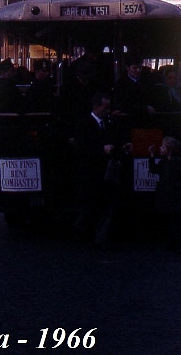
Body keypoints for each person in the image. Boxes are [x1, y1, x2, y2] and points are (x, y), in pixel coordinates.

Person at [72, 91, 122, 246]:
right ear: (96, 107)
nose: (107, 110)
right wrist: (101, 149)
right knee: (90, 207)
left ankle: (100, 239)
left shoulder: (107, 122)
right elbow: (81, 147)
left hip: (105, 172)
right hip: (90, 172)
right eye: (105, 107)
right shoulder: (84, 123)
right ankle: (81, 231)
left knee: (104, 206)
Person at [112, 55, 156, 122]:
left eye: (140, 67)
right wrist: (145, 108)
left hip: (146, 120)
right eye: (134, 68)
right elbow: (122, 105)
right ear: (127, 68)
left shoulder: (147, 82)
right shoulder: (120, 85)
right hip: (128, 121)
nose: (138, 70)